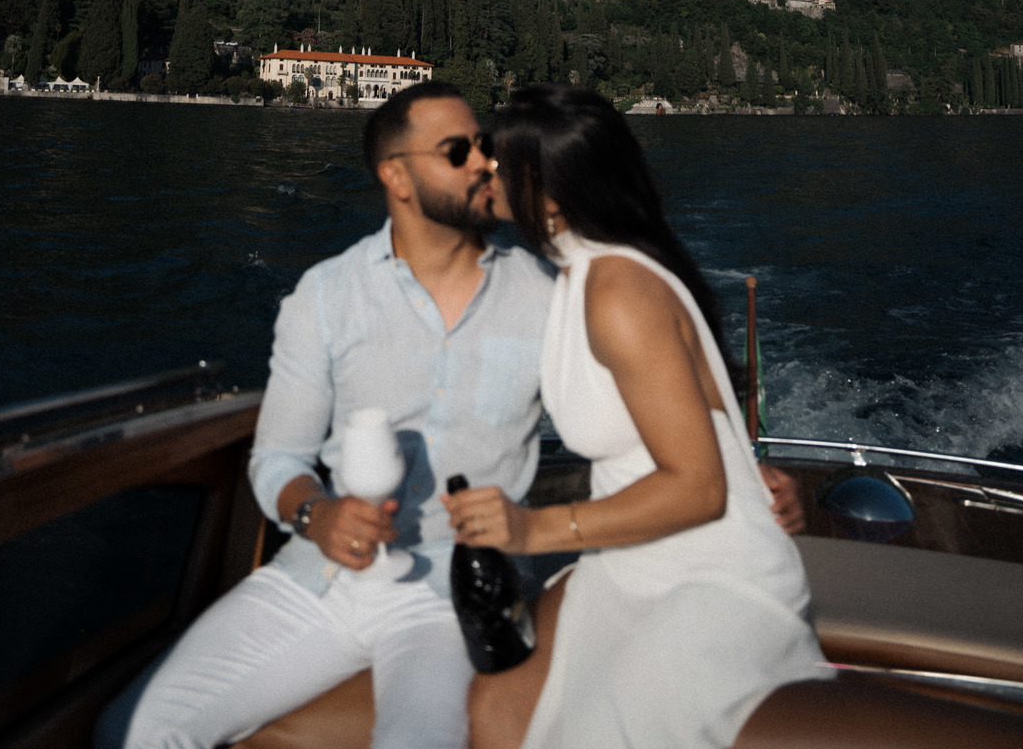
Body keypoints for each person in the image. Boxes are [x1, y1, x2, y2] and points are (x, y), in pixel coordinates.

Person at [97, 81, 804, 749]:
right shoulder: (325, 296)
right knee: (137, 730)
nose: (485, 164)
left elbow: (658, 403)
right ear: (396, 176)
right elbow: (277, 457)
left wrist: (744, 474)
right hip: (321, 574)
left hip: (452, 591)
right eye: (458, 151)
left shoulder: (554, 295)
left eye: (486, 146)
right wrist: (317, 513)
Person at [446, 85, 832, 749]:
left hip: (707, 574)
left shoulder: (618, 290)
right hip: (631, 559)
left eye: (499, 160)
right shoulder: (579, 274)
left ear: (551, 195)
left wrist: (532, 528)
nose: (483, 168)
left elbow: (699, 487)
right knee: (496, 704)